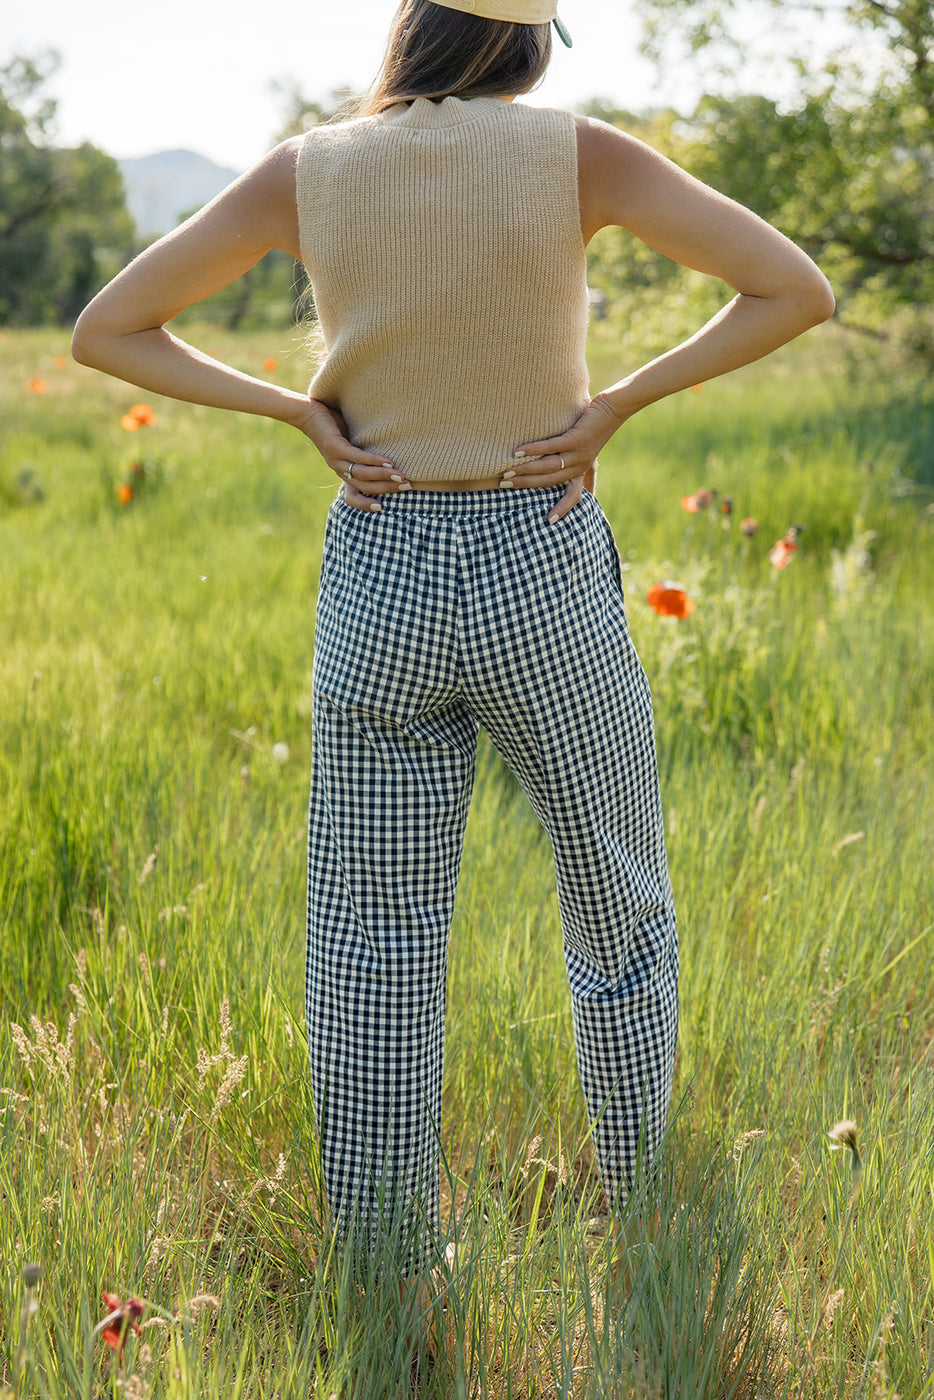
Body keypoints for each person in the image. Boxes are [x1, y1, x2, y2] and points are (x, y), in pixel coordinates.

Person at [72, 0, 834, 1285]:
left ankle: (386, 1258)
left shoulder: (306, 171)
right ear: (529, 45)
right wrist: (613, 408)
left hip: (380, 560)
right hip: (539, 550)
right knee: (617, 911)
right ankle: (642, 1214)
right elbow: (794, 289)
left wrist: (296, 413)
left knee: (373, 939)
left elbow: (107, 328)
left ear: (414, 33)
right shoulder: (578, 155)